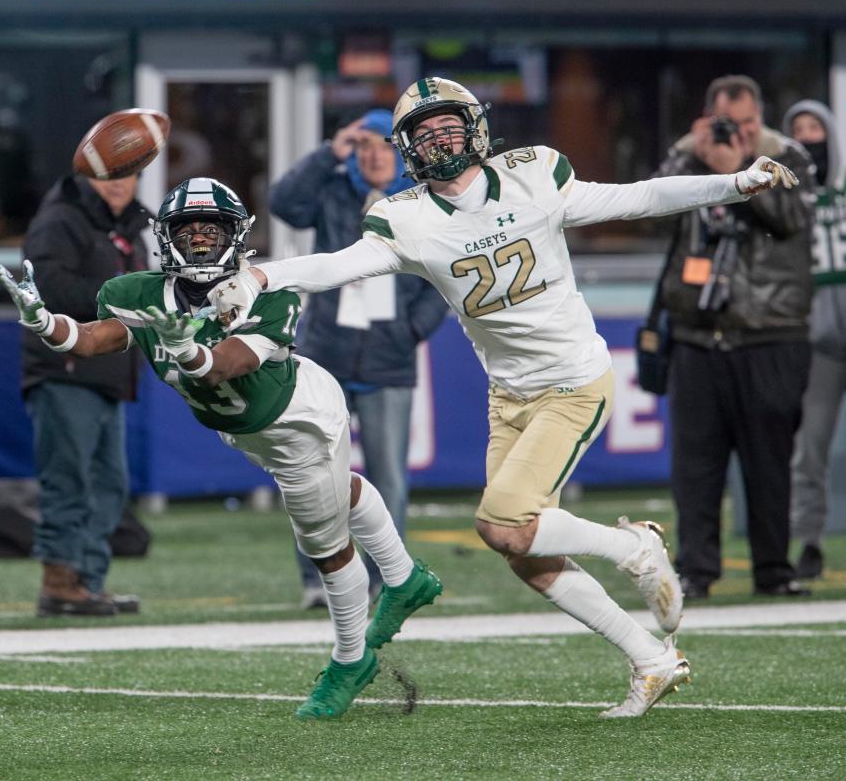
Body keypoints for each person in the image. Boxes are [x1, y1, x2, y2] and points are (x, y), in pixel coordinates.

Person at [208, 76, 800, 718]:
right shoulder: (404, 216)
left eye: (448, 126)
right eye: (424, 133)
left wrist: (735, 182)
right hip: (509, 394)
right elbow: (337, 264)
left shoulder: (533, 175)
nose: (439, 140)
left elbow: (641, 196)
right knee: (522, 553)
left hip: (573, 380)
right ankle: (652, 659)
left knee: (502, 522)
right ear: (408, 148)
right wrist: (263, 273)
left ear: (476, 128)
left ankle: (636, 548)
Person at [0, 177, 443, 720]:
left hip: (299, 421)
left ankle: (351, 659)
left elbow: (227, 366)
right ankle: (403, 576)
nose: (202, 240)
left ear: (237, 236)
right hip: (247, 430)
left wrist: (187, 349)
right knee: (340, 491)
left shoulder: (267, 293)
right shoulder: (136, 292)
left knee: (325, 547)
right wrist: (48, 325)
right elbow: (97, 338)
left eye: (213, 229)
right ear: (166, 238)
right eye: (189, 230)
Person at [269, 109, 448, 608]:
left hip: (389, 356)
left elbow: (444, 273)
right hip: (326, 352)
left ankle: (387, 578)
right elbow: (284, 202)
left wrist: (412, 329)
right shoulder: (331, 190)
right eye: (364, 145)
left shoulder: (422, 203)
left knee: (389, 476)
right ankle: (316, 579)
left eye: (384, 145)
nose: (374, 155)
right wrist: (331, 149)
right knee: (314, 468)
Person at [656, 75, 815, 600]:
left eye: (747, 124)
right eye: (727, 124)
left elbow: (791, 220)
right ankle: (696, 571)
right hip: (698, 336)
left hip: (770, 332)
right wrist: (691, 155)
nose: (737, 134)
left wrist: (738, 175)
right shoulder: (687, 160)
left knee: (770, 462)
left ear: (761, 119)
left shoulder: (788, 156)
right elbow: (652, 213)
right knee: (695, 466)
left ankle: (774, 569)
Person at [17, 170, 149, 617]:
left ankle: (88, 582)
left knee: (110, 486)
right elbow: (46, 289)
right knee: (68, 480)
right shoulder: (59, 220)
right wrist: (126, 295)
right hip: (65, 371)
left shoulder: (129, 226)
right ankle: (59, 583)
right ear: (87, 175)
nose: (119, 183)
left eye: (128, 173)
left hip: (108, 373)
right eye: (107, 174)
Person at [782, 100, 846, 580]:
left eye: (815, 129)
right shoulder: (787, 198)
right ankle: (808, 541)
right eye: (798, 130)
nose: (809, 138)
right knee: (810, 447)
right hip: (815, 336)